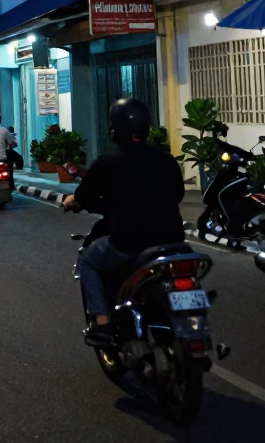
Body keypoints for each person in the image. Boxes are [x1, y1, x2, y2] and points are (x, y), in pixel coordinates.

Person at [63, 97, 185, 345]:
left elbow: (83, 197)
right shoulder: (165, 159)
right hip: (173, 243)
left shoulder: (108, 161)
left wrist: (71, 202)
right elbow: (178, 194)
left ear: (113, 127)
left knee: (88, 261)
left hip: (129, 243)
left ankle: (103, 324)